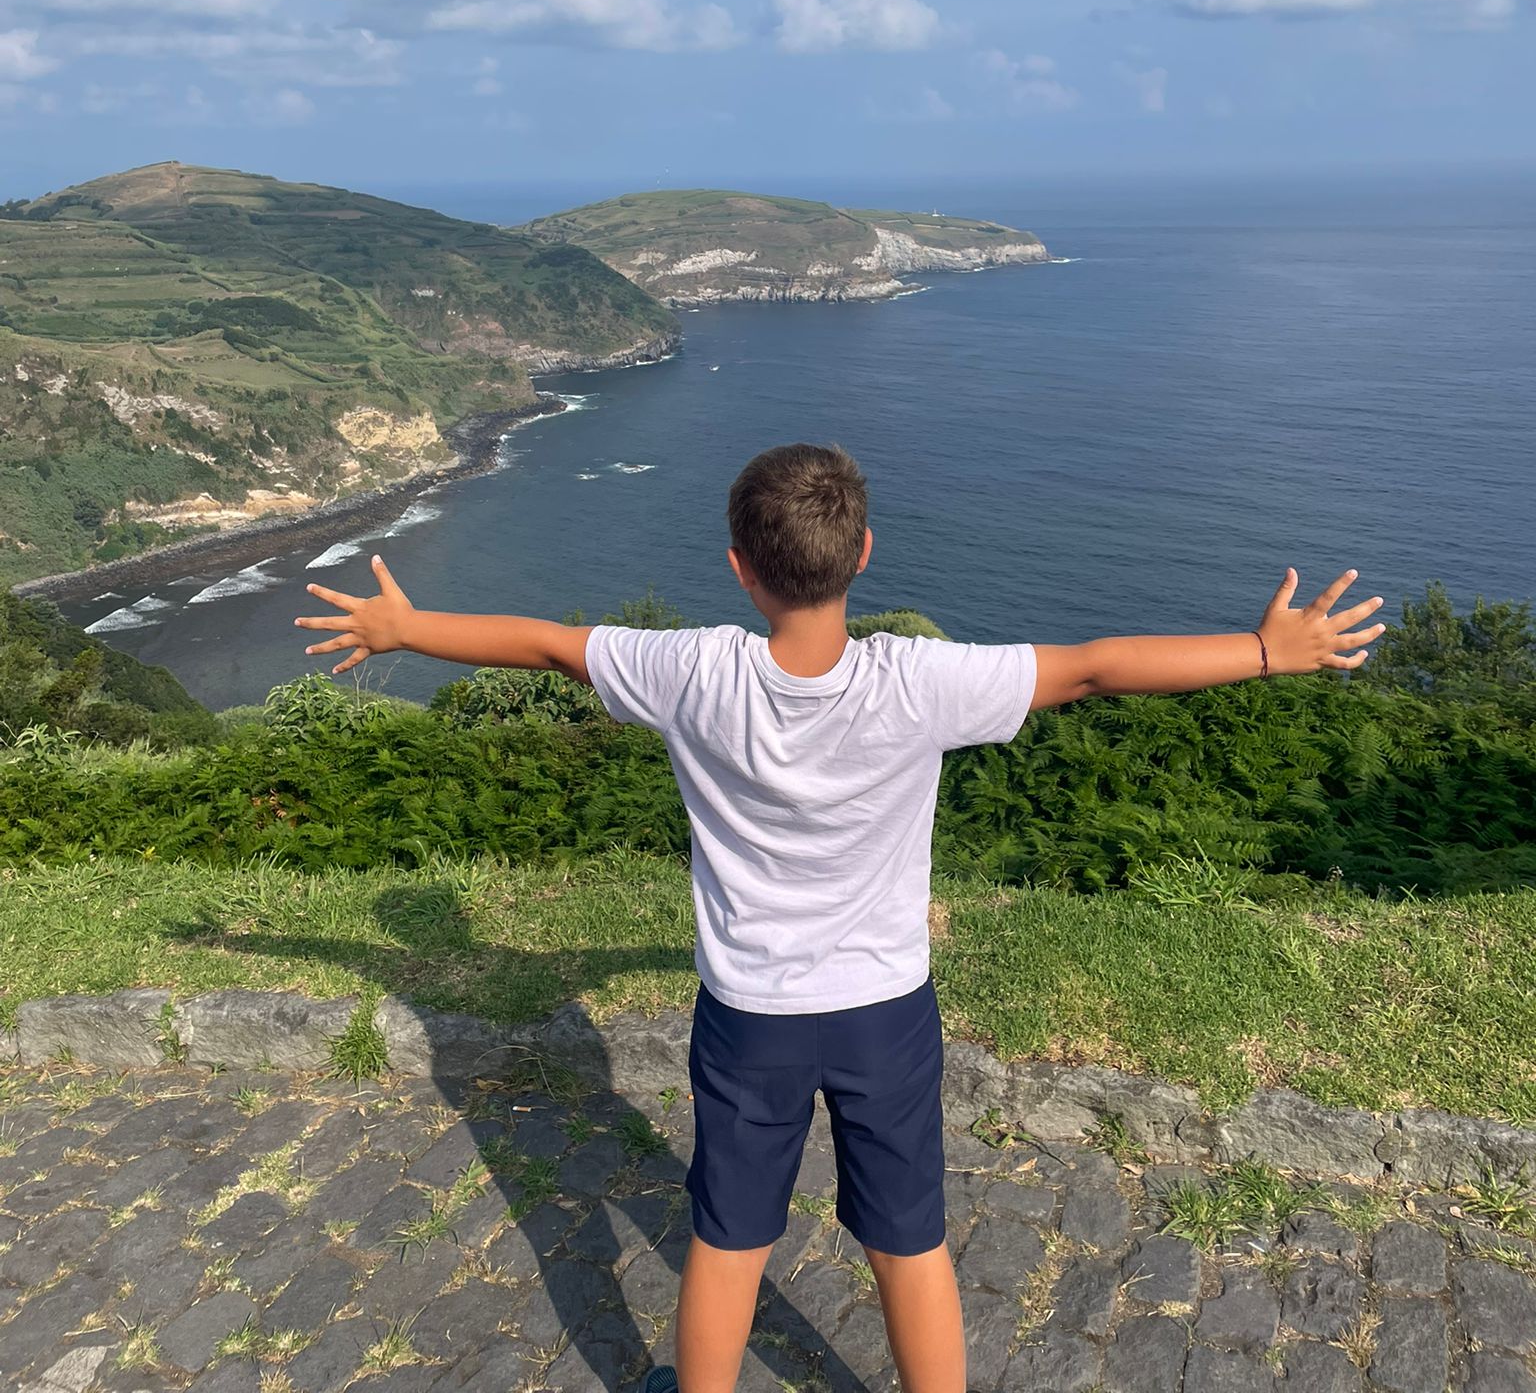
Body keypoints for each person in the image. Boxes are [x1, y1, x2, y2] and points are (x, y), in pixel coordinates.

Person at [295, 441, 1385, 1393]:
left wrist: (403, 627)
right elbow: (1097, 669)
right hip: (884, 1012)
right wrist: (1264, 650)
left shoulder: (689, 670)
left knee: (726, 1237)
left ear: (738, 566)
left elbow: (544, 643)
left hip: (749, 1015)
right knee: (911, 1239)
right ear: (864, 555)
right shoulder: (920, 682)